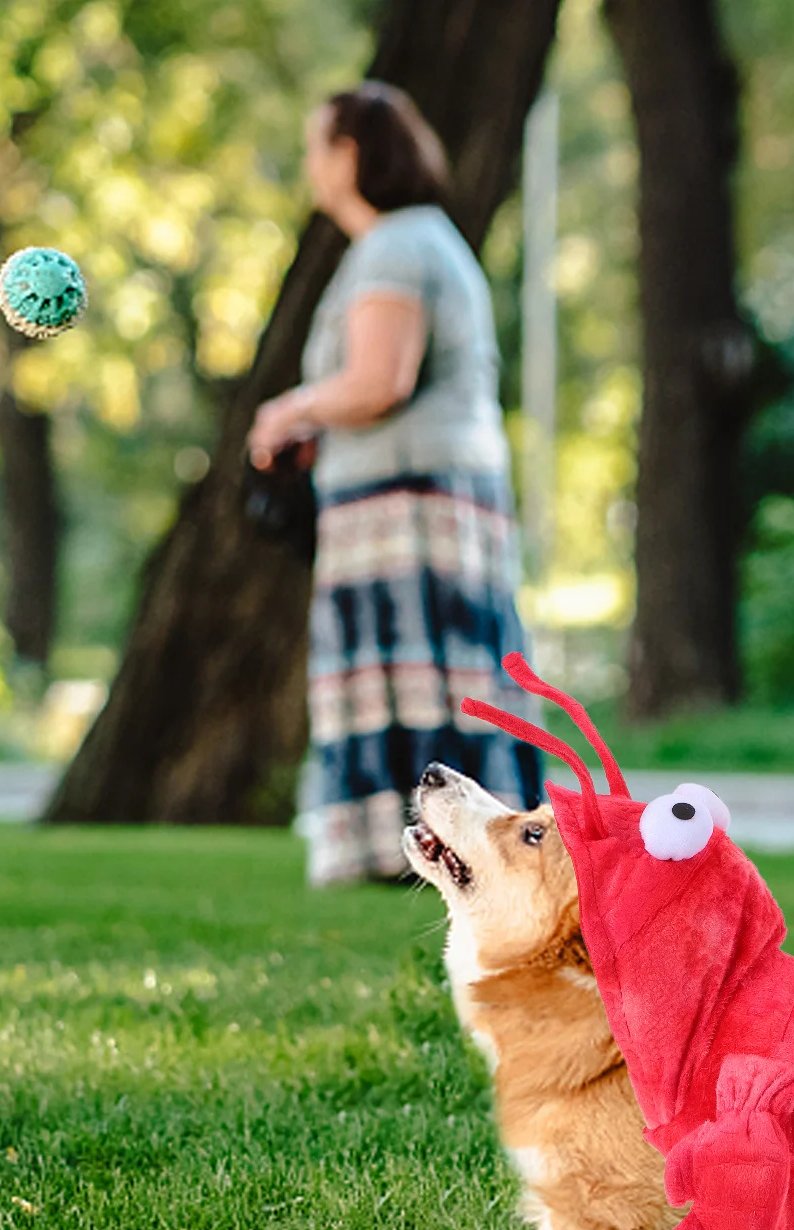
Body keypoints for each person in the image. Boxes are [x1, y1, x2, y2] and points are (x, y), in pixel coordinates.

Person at [249, 81, 544, 886]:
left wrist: (287, 412)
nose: (311, 163)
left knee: (415, 682)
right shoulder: (416, 241)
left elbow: (380, 380)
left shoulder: (396, 247)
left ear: (350, 154)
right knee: (451, 679)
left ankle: (408, 852)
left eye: (318, 145)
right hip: (422, 488)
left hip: (409, 504)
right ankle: (466, 851)